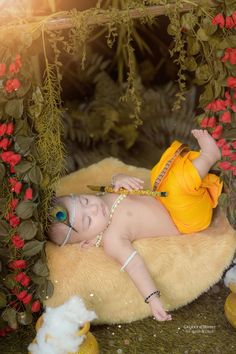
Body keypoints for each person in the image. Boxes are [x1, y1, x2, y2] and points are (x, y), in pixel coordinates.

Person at [48, 129, 223, 322]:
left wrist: (120, 179)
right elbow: (135, 266)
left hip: (167, 200)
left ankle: (204, 169)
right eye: (88, 221)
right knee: (177, 184)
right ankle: (210, 155)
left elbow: (114, 180)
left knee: (160, 173)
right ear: (87, 242)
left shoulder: (104, 197)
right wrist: (152, 299)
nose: (94, 210)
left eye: (85, 202)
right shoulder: (112, 239)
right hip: (183, 218)